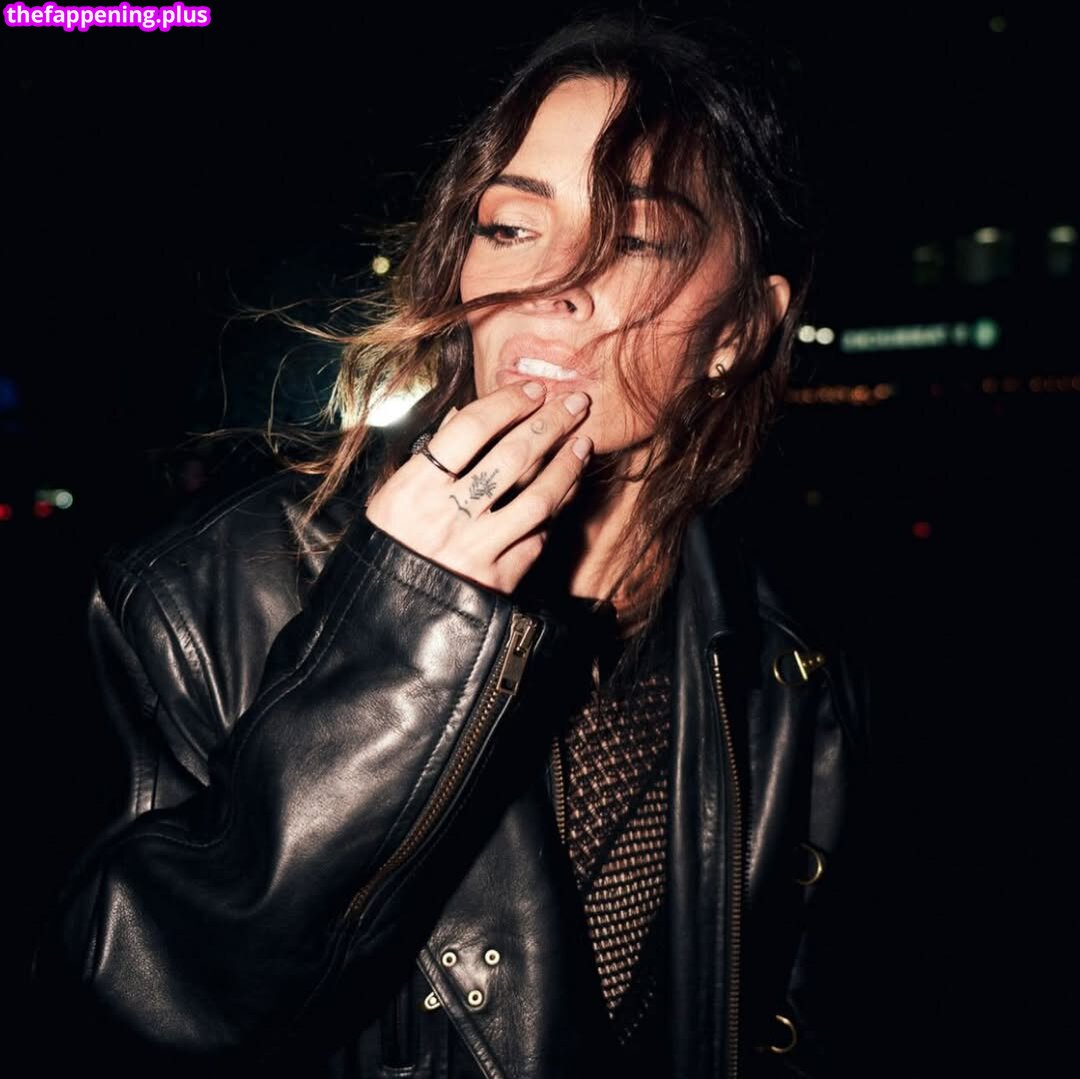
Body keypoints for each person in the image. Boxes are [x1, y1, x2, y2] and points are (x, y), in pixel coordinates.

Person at [32, 12, 870, 1079]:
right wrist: (401, 635)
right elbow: (112, 1013)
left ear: (741, 330)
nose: (552, 280)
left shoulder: (790, 661)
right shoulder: (197, 592)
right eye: (511, 227)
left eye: (637, 241)